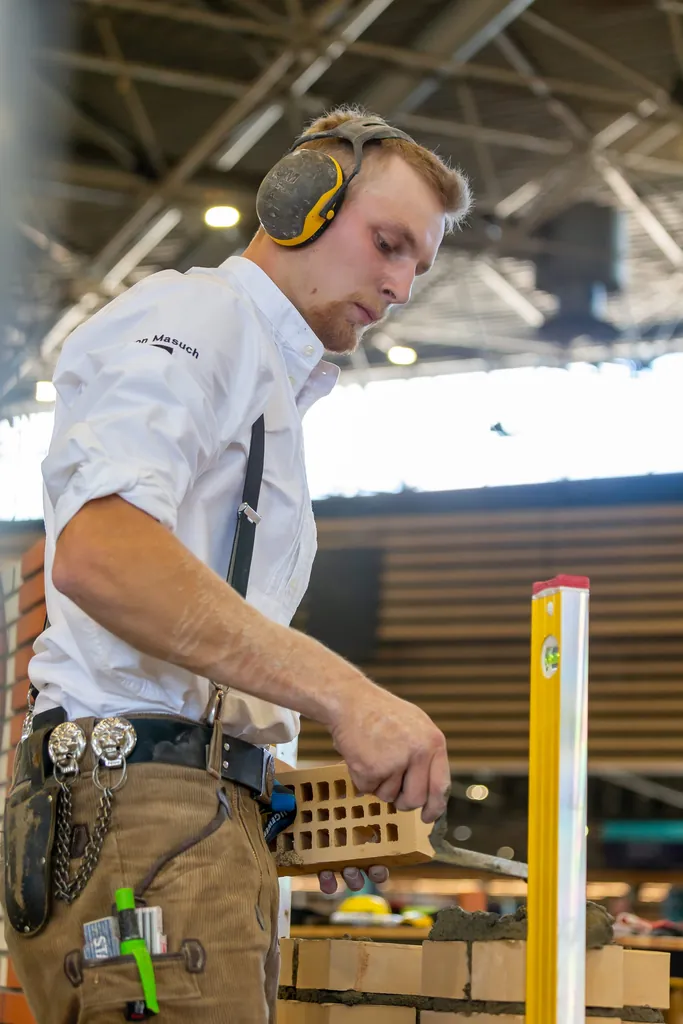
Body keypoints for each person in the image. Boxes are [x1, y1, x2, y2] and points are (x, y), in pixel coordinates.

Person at [2, 106, 471, 1023]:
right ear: (299, 203)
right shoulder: (197, 316)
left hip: (192, 818)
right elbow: (101, 554)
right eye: (387, 243)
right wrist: (351, 697)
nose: (401, 284)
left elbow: (185, 662)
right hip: (143, 817)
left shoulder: (266, 381)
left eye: (417, 262)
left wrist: (295, 799)